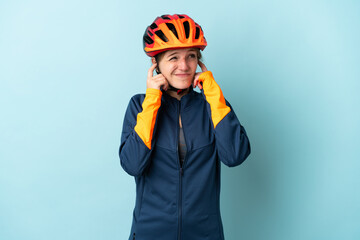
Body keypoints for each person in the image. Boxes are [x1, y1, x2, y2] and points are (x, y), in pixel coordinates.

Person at [119, 14, 251, 240]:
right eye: (173, 58)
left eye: (191, 56)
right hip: (150, 233)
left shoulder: (213, 105)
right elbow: (132, 164)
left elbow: (234, 155)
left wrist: (213, 95)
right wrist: (152, 100)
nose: (184, 66)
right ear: (156, 64)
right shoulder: (139, 105)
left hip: (205, 234)